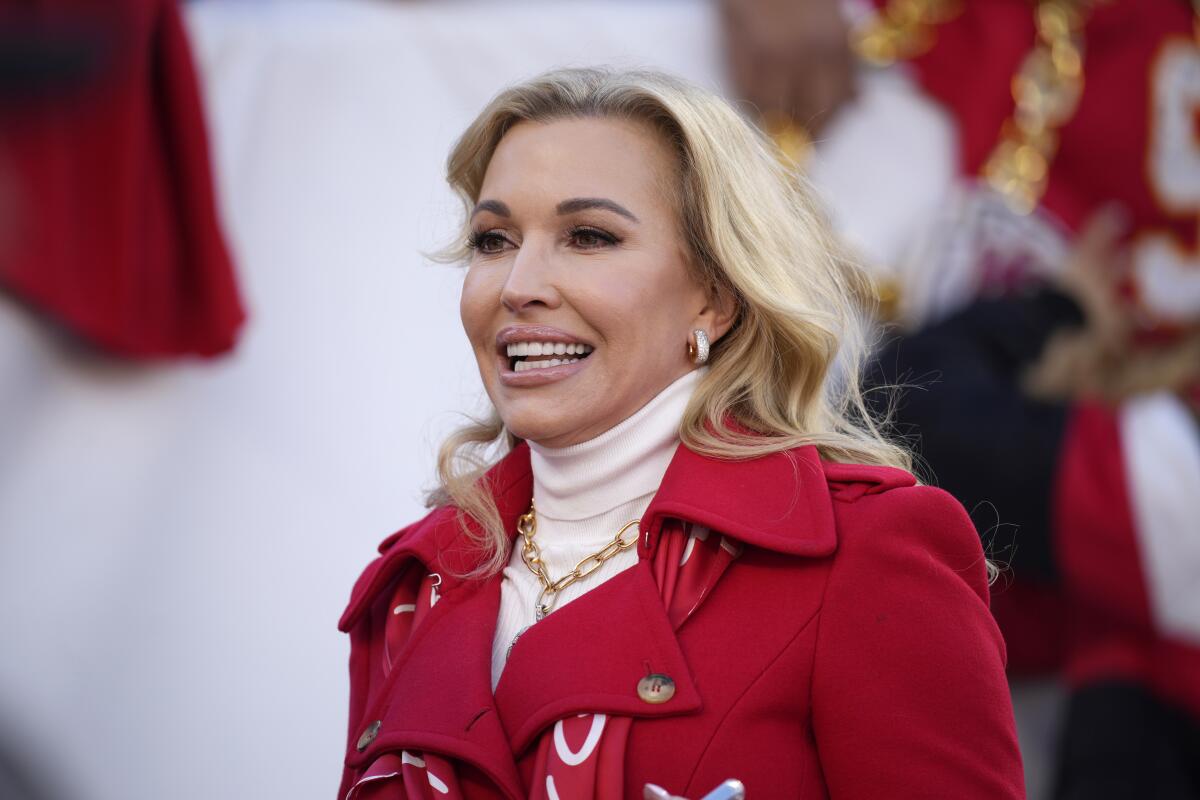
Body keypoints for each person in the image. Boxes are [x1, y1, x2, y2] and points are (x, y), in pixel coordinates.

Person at [337, 67, 1025, 799]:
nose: (518, 285)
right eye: (494, 239)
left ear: (715, 298)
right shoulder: (416, 585)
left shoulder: (866, 551)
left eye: (589, 237)